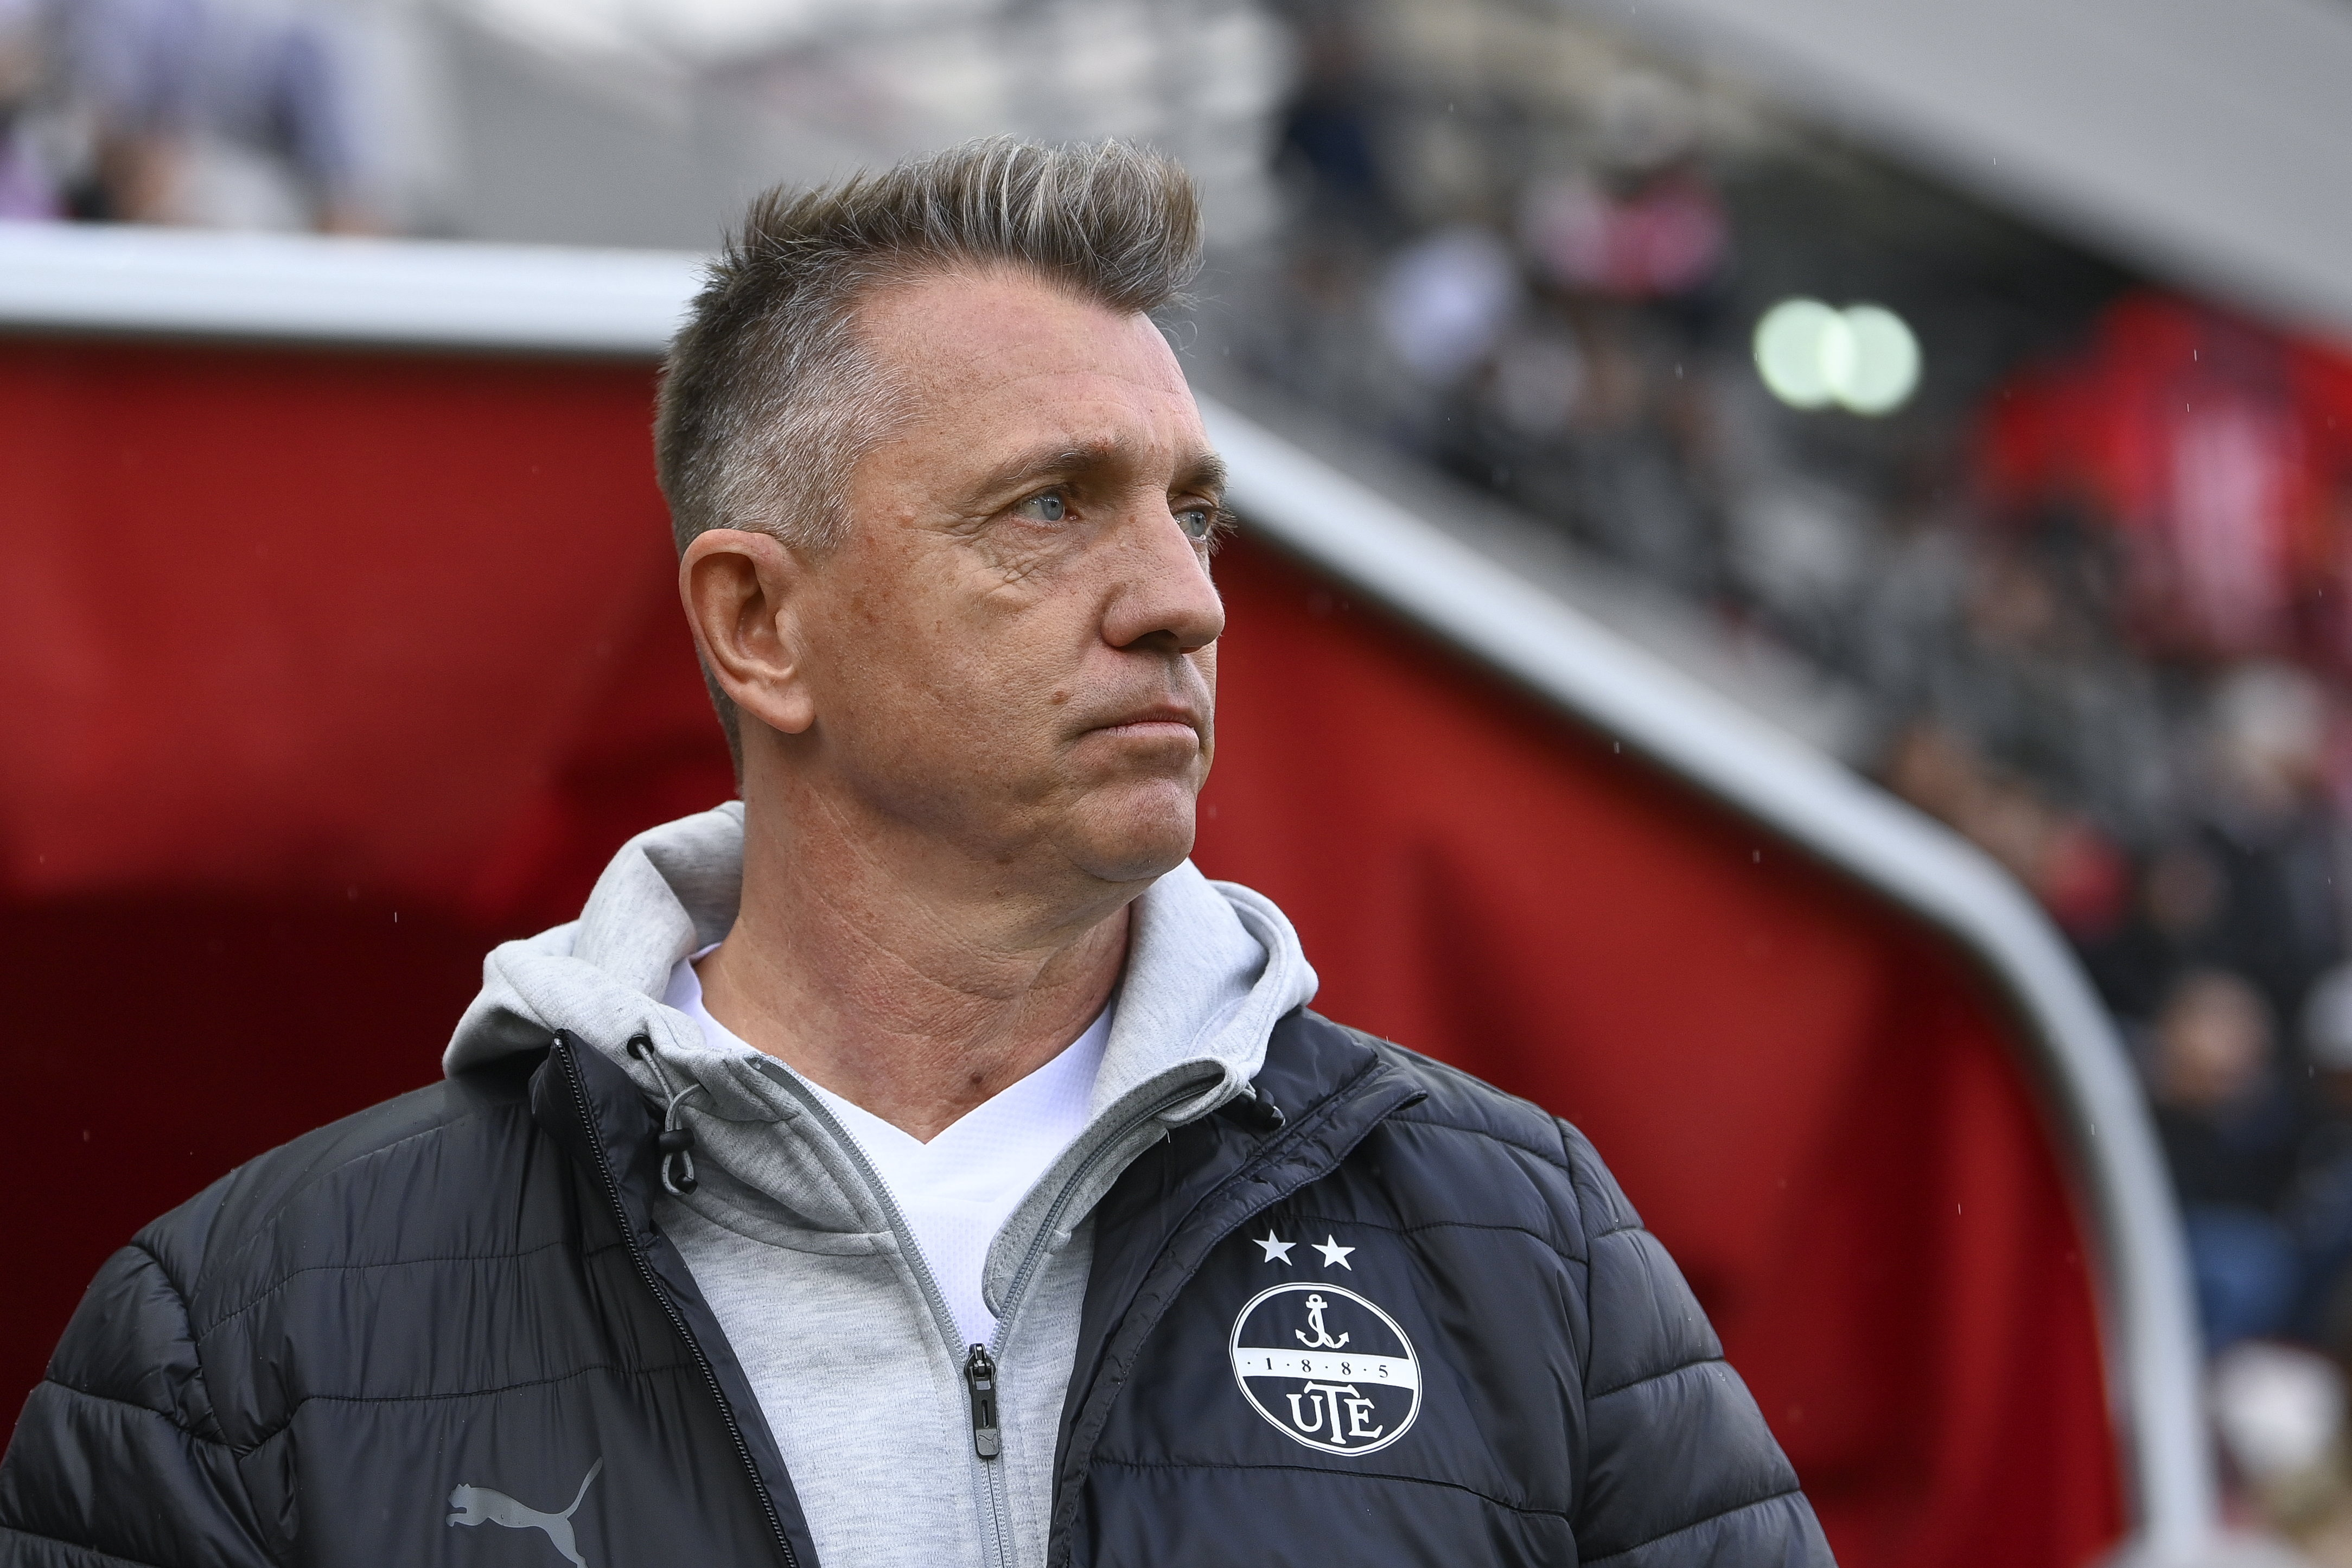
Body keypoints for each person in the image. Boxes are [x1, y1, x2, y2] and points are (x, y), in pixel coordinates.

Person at [0, 139, 1827, 1566]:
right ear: (759, 625)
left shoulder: (1528, 1252)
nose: (1185, 601)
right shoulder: (247, 1340)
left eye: (1193, 514)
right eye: (1052, 504)